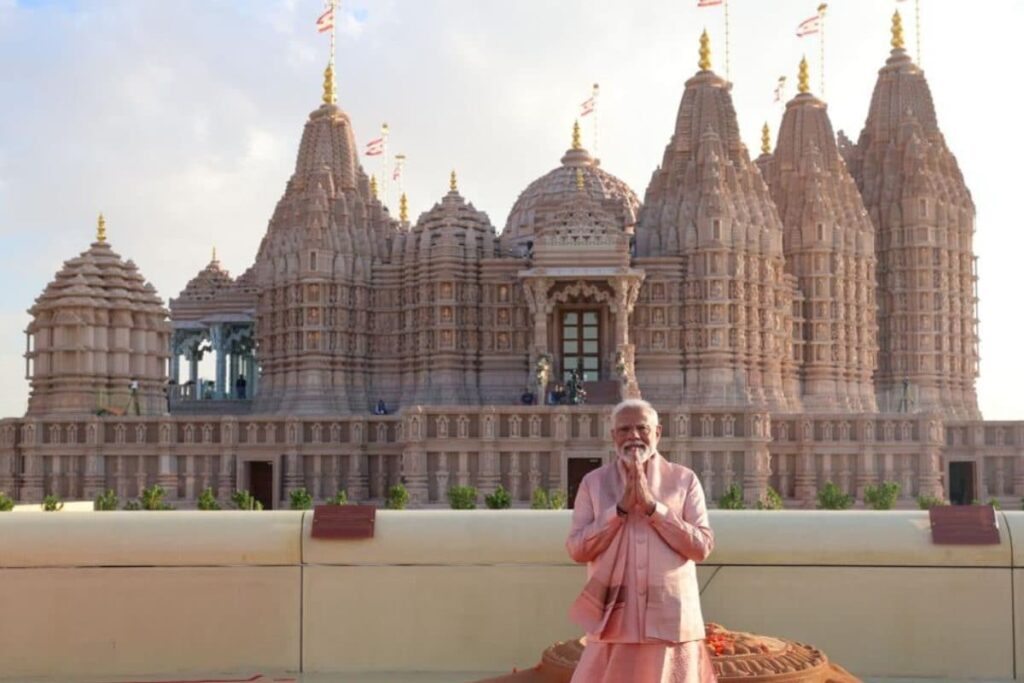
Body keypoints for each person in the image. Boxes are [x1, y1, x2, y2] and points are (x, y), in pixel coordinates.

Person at [566, 398, 716, 682]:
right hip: (612, 623)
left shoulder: (684, 480)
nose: (633, 436)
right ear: (613, 436)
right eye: (624, 430)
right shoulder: (593, 483)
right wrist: (618, 511)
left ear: (657, 433)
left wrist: (653, 508)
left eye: (641, 428)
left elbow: (702, 547)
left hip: (671, 623)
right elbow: (577, 549)